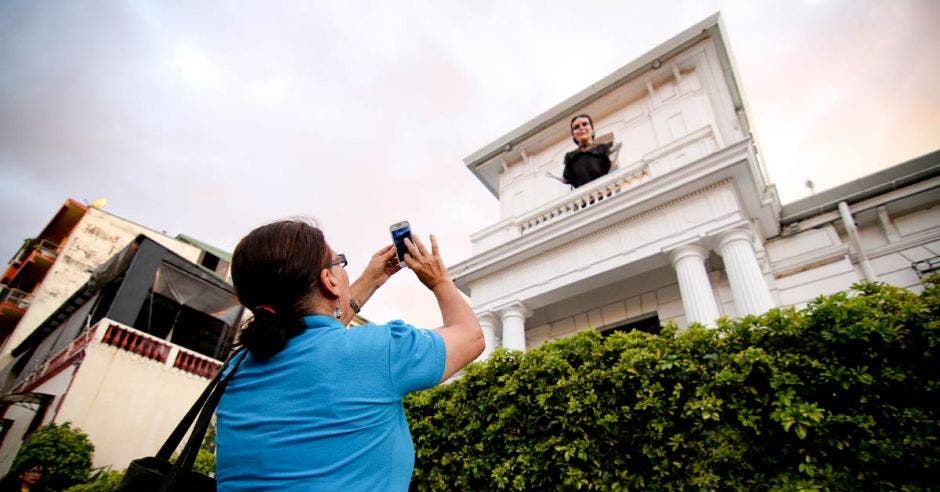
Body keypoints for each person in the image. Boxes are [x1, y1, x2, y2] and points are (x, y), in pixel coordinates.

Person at [215, 219, 483, 491]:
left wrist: (372, 279)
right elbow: (471, 336)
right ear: (329, 280)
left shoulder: (235, 370)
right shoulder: (379, 351)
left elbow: (310, 337)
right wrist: (439, 280)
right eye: (339, 263)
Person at [559, 114, 621, 188]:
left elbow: (612, 167)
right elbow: (567, 178)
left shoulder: (602, 148)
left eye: (585, 124)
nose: (581, 128)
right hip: (584, 196)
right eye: (576, 127)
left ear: (592, 129)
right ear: (573, 135)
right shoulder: (570, 156)